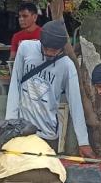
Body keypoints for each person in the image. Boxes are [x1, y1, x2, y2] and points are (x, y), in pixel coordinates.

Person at [6, 20, 94, 157]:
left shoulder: (67, 66)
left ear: (61, 49)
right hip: (21, 129)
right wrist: (10, 122)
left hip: (48, 132)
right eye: (46, 48)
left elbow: (75, 104)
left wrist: (83, 142)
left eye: (54, 50)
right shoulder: (25, 48)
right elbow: (15, 84)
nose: (49, 53)